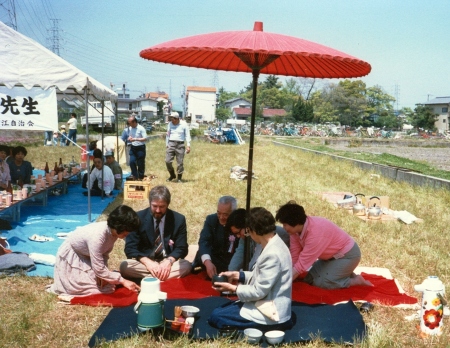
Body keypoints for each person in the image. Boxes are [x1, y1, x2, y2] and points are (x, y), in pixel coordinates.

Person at [208, 207, 293, 331]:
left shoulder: (272, 254)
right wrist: (237, 275)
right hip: (265, 302)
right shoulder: (272, 243)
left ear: (254, 231)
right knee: (221, 309)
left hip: (271, 313)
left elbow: (258, 291)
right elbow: (261, 276)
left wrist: (233, 288)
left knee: (216, 316)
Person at [275, 201, 373, 289]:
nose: (284, 228)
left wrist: (283, 283)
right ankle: (343, 272)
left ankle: (356, 281)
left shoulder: (315, 234)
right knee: (309, 279)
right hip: (329, 258)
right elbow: (295, 255)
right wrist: (288, 275)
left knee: (322, 283)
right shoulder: (295, 232)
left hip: (347, 256)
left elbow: (301, 265)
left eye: (285, 224)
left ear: (294, 223)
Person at [49, 205, 141, 297]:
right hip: (73, 256)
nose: (128, 233)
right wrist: (123, 281)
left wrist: (104, 275)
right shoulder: (97, 237)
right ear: (119, 226)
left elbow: (103, 255)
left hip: (88, 257)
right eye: (126, 230)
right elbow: (99, 268)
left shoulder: (112, 232)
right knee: (92, 290)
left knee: (106, 286)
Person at [120, 185, 191, 281]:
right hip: (145, 263)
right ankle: (162, 278)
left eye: (162, 207)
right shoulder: (138, 218)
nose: (158, 210)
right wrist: (148, 262)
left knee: (186, 265)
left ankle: (150, 280)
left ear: (168, 204)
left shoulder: (178, 219)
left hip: (167, 261)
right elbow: (130, 248)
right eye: (154, 206)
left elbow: (182, 248)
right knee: (125, 266)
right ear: (149, 203)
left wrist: (168, 261)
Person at [192, 196, 239, 278]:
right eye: (219, 213)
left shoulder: (239, 223)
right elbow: (204, 241)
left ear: (233, 213)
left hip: (232, 261)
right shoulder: (211, 220)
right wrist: (208, 262)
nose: (221, 217)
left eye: (225, 214)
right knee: (202, 254)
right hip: (213, 258)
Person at [165, 111, 191, 183]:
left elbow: (187, 135)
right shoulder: (170, 124)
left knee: (180, 162)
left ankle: (179, 178)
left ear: (177, 119)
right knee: (167, 161)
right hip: (171, 143)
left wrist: (188, 145)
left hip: (180, 145)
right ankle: (172, 175)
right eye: (170, 119)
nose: (171, 121)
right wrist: (167, 144)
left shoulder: (184, 124)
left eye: (172, 119)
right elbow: (168, 134)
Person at [121, 114, 147, 180]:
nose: (129, 124)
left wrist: (135, 139)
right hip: (133, 147)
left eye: (130, 123)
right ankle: (135, 175)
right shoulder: (130, 128)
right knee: (131, 162)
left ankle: (141, 177)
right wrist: (130, 137)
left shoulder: (141, 128)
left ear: (134, 122)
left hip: (140, 147)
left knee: (140, 163)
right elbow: (130, 135)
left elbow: (145, 138)